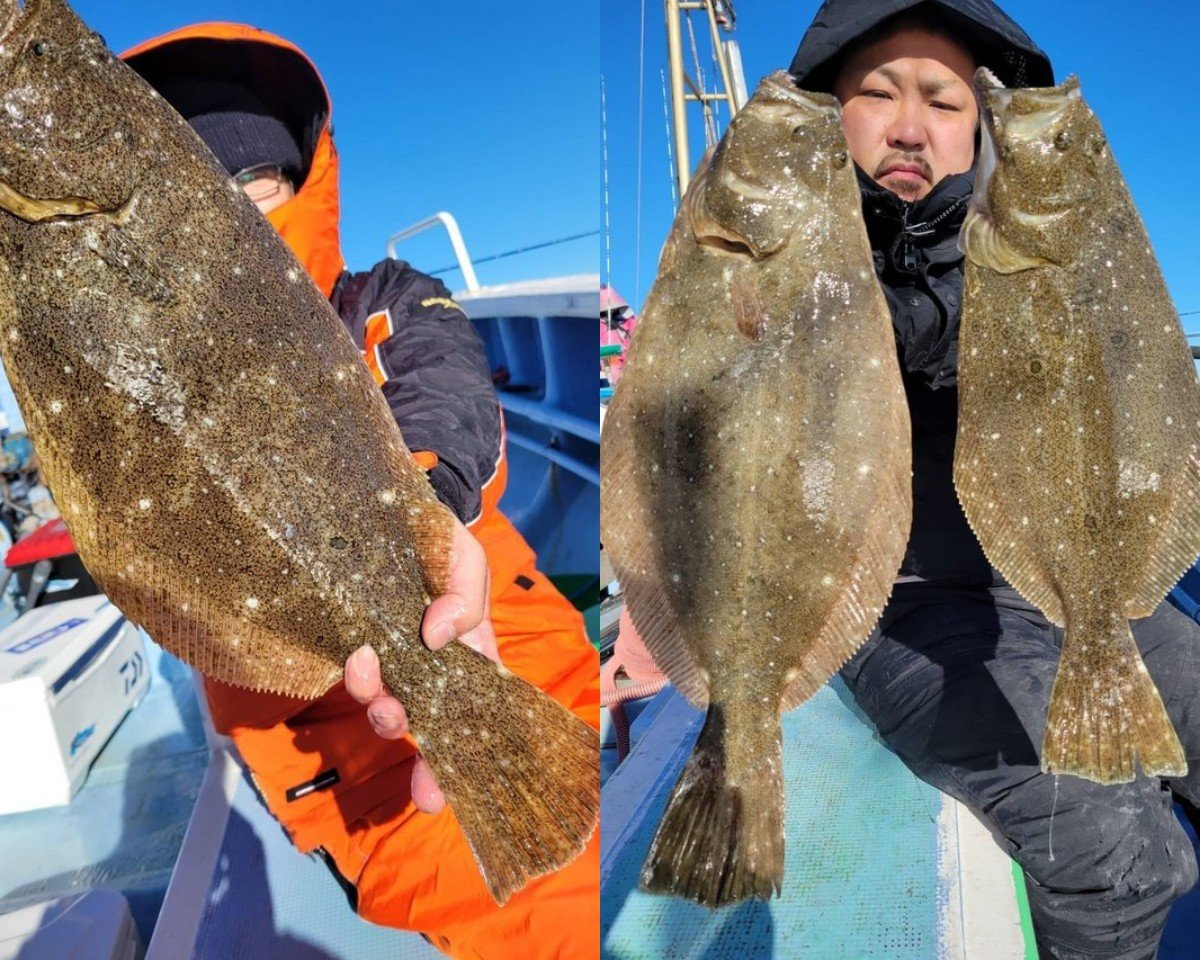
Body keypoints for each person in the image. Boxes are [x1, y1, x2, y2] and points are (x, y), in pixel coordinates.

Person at [120, 24, 599, 959]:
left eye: (256, 185)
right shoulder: (147, 379)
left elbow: (443, 389)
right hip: (343, 762)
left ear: (302, 183)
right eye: (198, 194)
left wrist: (426, 517)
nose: (235, 214)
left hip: (505, 646)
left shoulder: (385, 296)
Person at [787, 2, 1200, 957]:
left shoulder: (1031, 238)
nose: (908, 125)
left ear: (979, 127)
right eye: (877, 93)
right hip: (903, 605)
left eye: (943, 100)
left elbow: (1142, 382)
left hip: (1068, 582)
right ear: (828, 112)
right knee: (1118, 850)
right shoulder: (786, 257)